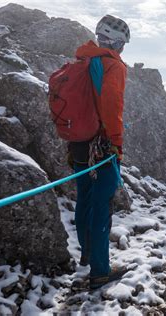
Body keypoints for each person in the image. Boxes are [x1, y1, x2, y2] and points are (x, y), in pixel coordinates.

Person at [67, 14, 130, 290]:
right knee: (102, 205)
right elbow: (111, 106)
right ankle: (100, 272)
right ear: (117, 42)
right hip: (101, 146)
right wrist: (116, 143)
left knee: (85, 198)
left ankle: (87, 254)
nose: (123, 49)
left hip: (78, 142)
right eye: (123, 44)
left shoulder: (83, 58)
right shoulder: (112, 65)